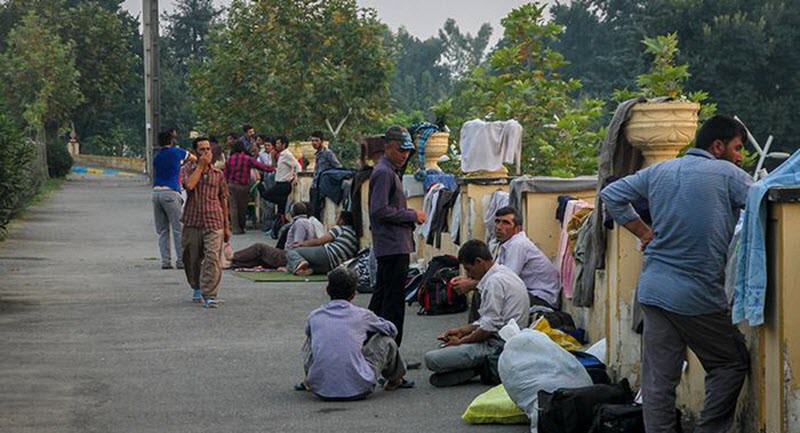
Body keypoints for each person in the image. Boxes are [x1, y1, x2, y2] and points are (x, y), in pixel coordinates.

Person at [600, 115, 752, 433]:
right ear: (718, 146)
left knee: (658, 381)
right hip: (697, 295)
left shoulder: (660, 170)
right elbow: (765, 201)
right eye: (737, 148)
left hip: (653, 290)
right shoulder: (729, 175)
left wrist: (644, 233)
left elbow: (611, 194)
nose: (740, 157)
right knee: (729, 363)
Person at [424, 239, 530, 387]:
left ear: (479, 262)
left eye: (469, 269)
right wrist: (461, 331)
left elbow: (487, 329)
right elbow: (487, 320)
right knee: (443, 355)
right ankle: (482, 367)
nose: (469, 275)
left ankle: (483, 366)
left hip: (498, 345)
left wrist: (460, 342)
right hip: (501, 338)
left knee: (432, 359)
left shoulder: (494, 282)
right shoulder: (502, 273)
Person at [299, 267, 414, 400]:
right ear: (354, 294)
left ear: (327, 290)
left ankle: (311, 379)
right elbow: (392, 330)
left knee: (311, 338)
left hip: (320, 389)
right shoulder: (363, 315)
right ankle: (395, 379)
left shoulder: (315, 316)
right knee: (386, 340)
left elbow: (310, 336)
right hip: (360, 387)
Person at [367, 125, 426, 347]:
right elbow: (379, 210)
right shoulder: (384, 172)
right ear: (388, 147)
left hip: (392, 245)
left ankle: (372, 347)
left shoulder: (388, 171)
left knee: (382, 300)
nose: (404, 155)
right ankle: (390, 353)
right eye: (401, 150)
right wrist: (412, 215)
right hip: (393, 246)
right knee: (392, 304)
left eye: (408, 151)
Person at [453, 206, 561, 320]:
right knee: (483, 289)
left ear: (517, 229)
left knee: (483, 290)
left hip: (541, 298)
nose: (499, 227)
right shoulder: (505, 244)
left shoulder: (518, 244)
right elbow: (493, 273)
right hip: (527, 292)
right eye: (497, 221)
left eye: (505, 223)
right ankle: (479, 326)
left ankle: (480, 328)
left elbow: (505, 281)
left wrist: (471, 284)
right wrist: (468, 279)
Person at [181, 136, 231, 309]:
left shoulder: (218, 174)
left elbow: (223, 199)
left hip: (214, 220)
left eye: (208, 149)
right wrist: (201, 166)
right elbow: (189, 185)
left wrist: (226, 226)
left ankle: (210, 294)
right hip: (193, 220)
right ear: (195, 152)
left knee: (212, 258)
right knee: (192, 257)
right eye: (202, 150)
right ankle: (196, 285)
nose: (206, 152)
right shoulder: (187, 170)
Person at [152, 130, 196, 269]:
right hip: (170, 192)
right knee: (178, 229)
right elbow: (193, 158)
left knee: (162, 230)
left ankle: (165, 261)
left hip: (156, 193)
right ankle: (181, 261)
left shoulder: (156, 156)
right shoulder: (177, 152)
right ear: (171, 140)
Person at [285, 211, 359, 276]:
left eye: (338, 218)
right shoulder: (354, 235)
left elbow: (319, 241)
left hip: (328, 254)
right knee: (296, 265)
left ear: (342, 221)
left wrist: (302, 244)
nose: (336, 219)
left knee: (292, 251)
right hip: (333, 266)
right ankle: (307, 270)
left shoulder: (340, 229)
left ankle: (300, 262)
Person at [224, 140, 274, 234]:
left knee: (233, 207)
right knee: (242, 207)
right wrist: (272, 169)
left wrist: (225, 186)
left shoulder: (229, 159)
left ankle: (235, 228)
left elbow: (225, 174)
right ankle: (242, 227)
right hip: (244, 185)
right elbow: (260, 166)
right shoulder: (247, 159)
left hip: (232, 185)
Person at [258, 135, 302, 217]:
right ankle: (280, 221)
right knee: (281, 210)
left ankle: (282, 201)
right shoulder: (280, 155)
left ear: (283, 145)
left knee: (265, 194)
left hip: (284, 183)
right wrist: (273, 157)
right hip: (278, 182)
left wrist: (296, 177)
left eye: (278, 143)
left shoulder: (287, 155)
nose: (276, 145)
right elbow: (275, 168)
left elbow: (298, 166)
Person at [308, 130, 341, 219]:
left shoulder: (328, 153)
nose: (314, 143)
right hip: (314, 186)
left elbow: (338, 167)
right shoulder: (318, 154)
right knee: (311, 212)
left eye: (316, 140)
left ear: (322, 141)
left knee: (317, 213)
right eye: (312, 140)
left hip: (321, 188)